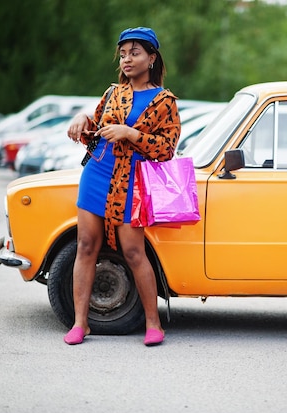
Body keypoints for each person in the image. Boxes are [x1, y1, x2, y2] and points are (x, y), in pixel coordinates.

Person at [65, 27, 181, 346]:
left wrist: (130, 134)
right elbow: (97, 125)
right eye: (123, 53)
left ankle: (154, 324)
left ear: (152, 57)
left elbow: (167, 149)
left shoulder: (164, 101)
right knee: (86, 246)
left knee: (133, 251)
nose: (127, 59)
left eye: (135, 52)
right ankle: (80, 323)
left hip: (131, 182)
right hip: (97, 173)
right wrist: (81, 119)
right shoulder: (113, 92)